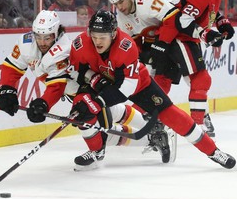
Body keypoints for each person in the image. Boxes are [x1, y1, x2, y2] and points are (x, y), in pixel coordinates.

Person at [0, 10, 171, 171]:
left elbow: (57, 85)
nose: (42, 42)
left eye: (47, 37)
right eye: (39, 37)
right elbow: (12, 67)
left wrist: (43, 103)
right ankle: (152, 133)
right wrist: (7, 90)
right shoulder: (27, 43)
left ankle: (103, 151)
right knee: (104, 120)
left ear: (56, 34)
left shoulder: (62, 51)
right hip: (76, 89)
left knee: (93, 125)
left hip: (87, 86)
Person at [68, 9, 236, 170]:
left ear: (113, 34)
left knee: (173, 117)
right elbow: (77, 71)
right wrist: (94, 80)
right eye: (94, 36)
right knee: (82, 108)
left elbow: (126, 89)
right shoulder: (81, 43)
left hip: (137, 85)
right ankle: (96, 152)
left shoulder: (126, 46)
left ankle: (214, 152)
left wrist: (97, 102)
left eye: (102, 37)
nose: (97, 41)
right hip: (101, 81)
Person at [107, 0, 235, 139]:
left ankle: (198, 120)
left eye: (121, 1)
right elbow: (135, 42)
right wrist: (142, 55)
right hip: (168, 38)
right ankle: (138, 118)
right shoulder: (123, 17)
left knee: (186, 79)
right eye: (116, 4)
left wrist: (219, 21)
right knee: (165, 82)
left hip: (171, 36)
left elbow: (178, 17)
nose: (120, 7)